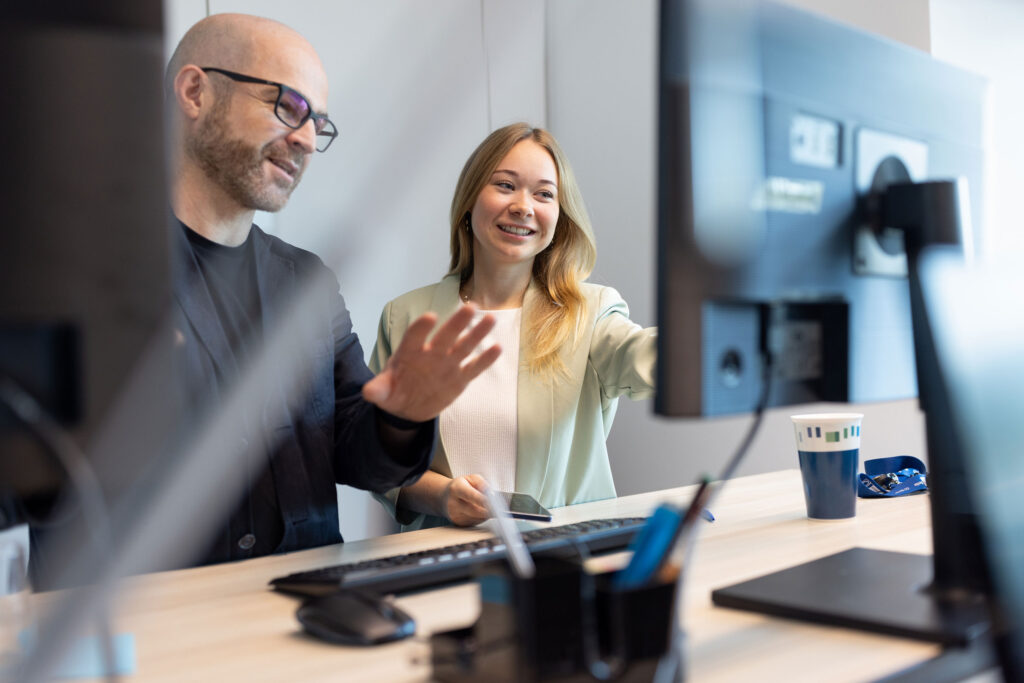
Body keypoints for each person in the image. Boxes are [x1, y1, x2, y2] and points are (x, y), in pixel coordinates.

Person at [157, 14, 499, 568]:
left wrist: (401, 418)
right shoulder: (84, 275)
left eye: (318, 122)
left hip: (308, 608)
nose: (307, 139)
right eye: (288, 106)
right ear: (195, 92)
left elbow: (355, 454)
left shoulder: (307, 282)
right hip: (142, 627)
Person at [370, 123, 656, 530]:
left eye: (544, 194)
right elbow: (377, 460)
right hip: (439, 563)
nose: (524, 206)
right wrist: (442, 497)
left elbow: (647, 359)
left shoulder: (590, 313)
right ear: (470, 200)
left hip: (561, 563)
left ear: (559, 215)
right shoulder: (405, 318)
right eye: (505, 185)